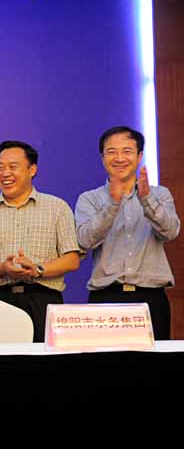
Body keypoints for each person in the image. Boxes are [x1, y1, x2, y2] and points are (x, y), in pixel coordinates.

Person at [0, 140, 82, 342]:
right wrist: (3, 268)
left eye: (13, 167)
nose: (5, 173)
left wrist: (37, 269)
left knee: (45, 358)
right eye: (0, 167)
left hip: (43, 300)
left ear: (32, 169)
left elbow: (72, 259)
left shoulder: (57, 207)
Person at [76, 126, 180, 340]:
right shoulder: (89, 199)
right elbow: (84, 240)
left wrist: (146, 199)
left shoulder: (160, 194)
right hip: (106, 297)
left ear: (139, 156)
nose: (119, 158)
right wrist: (113, 205)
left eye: (127, 151)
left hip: (151, 297)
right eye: (111, 152)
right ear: (102, 158)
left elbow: (171, 231)